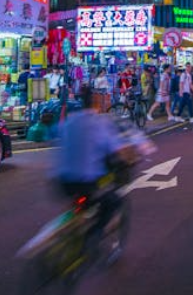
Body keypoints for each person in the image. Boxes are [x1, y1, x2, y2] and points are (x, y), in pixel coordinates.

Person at [52, 86, 138, 242]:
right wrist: (131, 159)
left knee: (80, 204)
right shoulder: (100, 123)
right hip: (87, 180)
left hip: (61, 180)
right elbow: (120, 149)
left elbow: (54, 133)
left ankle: (74, 227)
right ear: (96, 103)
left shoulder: (69, 121)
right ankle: (94, 235)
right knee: (113, 202)